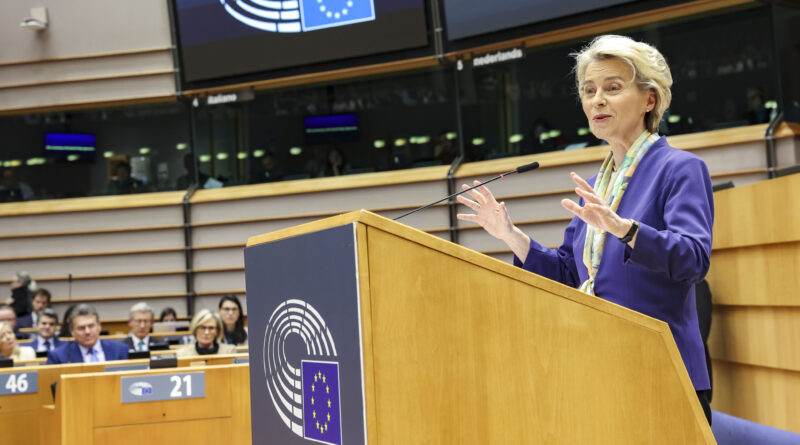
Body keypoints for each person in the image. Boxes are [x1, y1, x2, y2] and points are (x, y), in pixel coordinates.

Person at [457, 35, 713, 424]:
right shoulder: (599, 183)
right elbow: (568, 272)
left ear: (650, 99)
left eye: (613, 88)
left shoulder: (680, 169)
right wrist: (509, 233)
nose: (597, 100)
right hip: (599, 364)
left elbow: (693, 260)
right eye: (589, 90)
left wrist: (625, 229)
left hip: (662, 369)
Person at [46, 304, 129, 364]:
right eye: (81, 328)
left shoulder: (120, 350)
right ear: (72, 331)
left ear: (99, 326)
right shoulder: (58, 356)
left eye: (91, 326)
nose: (87, 332)